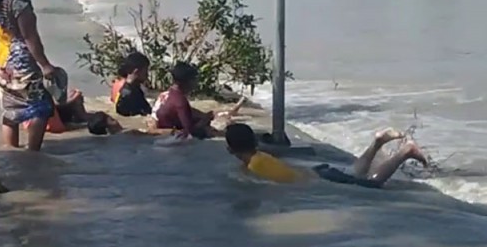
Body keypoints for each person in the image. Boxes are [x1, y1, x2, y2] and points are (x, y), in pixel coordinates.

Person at [0, 0, 64, 151]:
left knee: (11, 110)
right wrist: (46, 65)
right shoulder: (18, 1)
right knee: (42, 107)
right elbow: (30, 37)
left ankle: (12, 152)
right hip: (20, 63)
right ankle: (32, 154)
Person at [225, 123, 429, 188]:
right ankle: (377, 141)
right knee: (356, 174)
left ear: (231, 149)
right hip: (320, 172)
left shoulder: (255, 166)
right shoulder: (259, 156)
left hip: (321, 180)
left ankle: (406, 151)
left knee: (372, 185)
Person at [152, 61, 244, 139]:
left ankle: (228, 113)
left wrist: (207, 116)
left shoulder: (166, 95)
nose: (196, 83)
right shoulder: (180, 101)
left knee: (209, 115)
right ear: (186, 81)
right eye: (194, 80)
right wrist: (206, 120)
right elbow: (190, 133)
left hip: (166, 132)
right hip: (172, 139)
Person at [110, 51, 153, 117]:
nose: (147, 75)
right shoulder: (131, 92)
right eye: (145, 71)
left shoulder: (119, 84)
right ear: (137, 72)